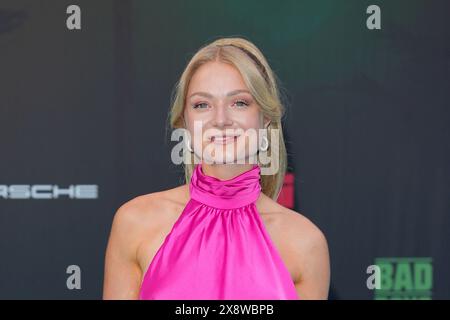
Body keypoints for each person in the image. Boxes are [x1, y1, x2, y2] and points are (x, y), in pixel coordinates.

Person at [103, 37, 330, 299]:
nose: (220, 120)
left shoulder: (304, 242)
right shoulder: (135, 222)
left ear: (266, 117)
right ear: (183, 120)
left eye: (239, 102)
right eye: (202, 105)